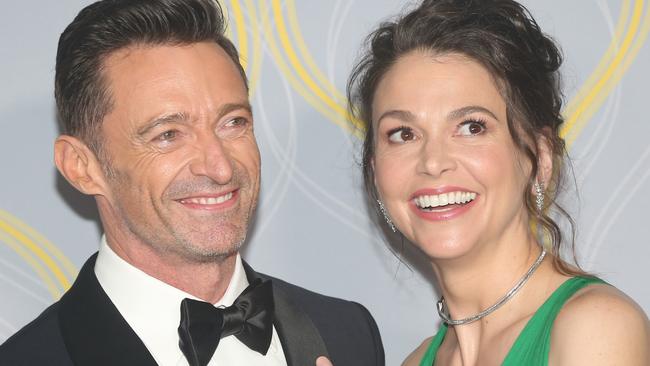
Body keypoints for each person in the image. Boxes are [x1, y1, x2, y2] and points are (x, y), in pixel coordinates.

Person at [0, 1, 384, 365]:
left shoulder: (346, 332)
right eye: (168, 134)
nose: (219, 167)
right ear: (81, 167)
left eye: (233, 123)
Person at [347, 0, 650, 365]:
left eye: (472, 127)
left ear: (539, 158)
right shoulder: (417, 361)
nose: (433, 161)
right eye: (403, 134)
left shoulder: (595, 327)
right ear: (375, 171)